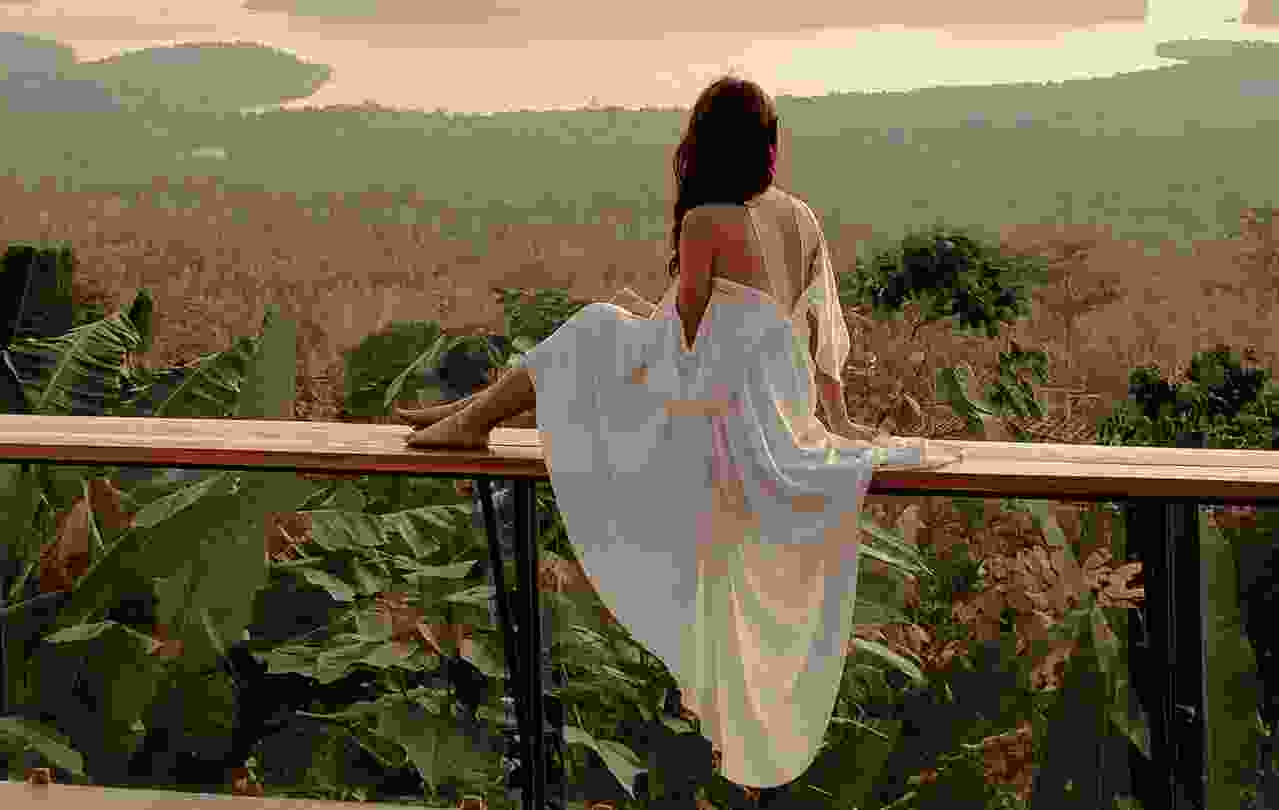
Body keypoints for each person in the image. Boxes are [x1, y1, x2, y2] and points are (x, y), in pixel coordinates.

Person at [402, 76, 957, 798]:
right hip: (776, 402)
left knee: (594, 327)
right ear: (765, 143)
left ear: (705, 147)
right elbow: (822, 332)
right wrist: (837, 418)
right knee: (608, 321)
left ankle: (470, 418)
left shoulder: (706, 222)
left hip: (720, 405)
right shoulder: (802, 218)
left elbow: (687, 333)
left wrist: (636, 343)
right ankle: (469, 412)